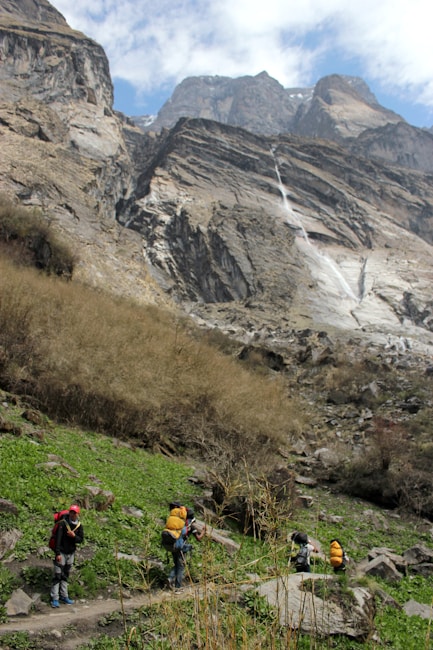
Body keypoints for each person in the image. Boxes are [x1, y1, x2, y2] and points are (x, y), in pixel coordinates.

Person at [50, 504, 84, 607]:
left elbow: (80, 540)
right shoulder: (63, 524)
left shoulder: (79, 525)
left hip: (71, 553)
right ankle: (54, 598)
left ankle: (64, 596)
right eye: (71, 512)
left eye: (74, 513)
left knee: (65, 575)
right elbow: (58, 539)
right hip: (62, 553)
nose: (72, 514)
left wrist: (74, 537)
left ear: (77, 514)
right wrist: (58, 553)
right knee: (58, 575)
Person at [166, 505, 206, 592]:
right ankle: (177, 587)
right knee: (181, 567)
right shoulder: (191, 526)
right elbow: (198, 538)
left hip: (173, 544)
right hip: (181, 548)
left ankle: (170, 578)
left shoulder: (179, 523)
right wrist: (203, 531)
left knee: (177, 564)